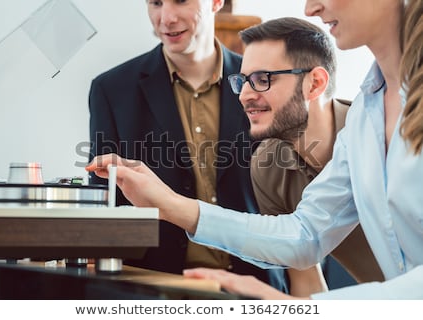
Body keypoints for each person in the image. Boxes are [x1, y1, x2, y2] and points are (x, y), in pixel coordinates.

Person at [86, 0, 423, 299]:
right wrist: (168, 204)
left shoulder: (355, 117)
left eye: (262, 79)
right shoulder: (367, 113)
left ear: (315, 83)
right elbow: (304, 235)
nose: (309, 9)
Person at [87, 0, 273, 285]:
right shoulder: (111, 90)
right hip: (153, 285)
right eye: (156, 3)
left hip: (256, 283)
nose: (166, 18)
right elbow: (105, 202)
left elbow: (289, 203)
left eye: (181, 1)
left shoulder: (264, 83)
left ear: (216, 3)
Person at [238, 17, 383, 296]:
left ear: (314, 83)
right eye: (243, 81)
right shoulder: (267, 166)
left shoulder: (383, 134)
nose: (244, 95)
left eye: (261, 79)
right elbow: (306, 281)